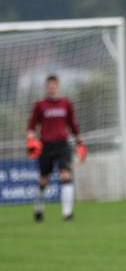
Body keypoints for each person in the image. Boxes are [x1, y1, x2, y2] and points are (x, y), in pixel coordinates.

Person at [26, 75, 86, 221]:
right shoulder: (40, 105)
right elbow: (32, 126)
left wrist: (79, 142)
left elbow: (73, 124)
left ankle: (67, 213)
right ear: (46, 87)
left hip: (63, 144)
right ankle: (39, 209)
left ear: (58, 86)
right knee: (43, 179)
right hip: (46, 144)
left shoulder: (66, 104)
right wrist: (30, 140)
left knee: (65, 175)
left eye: (54, 85)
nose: (52, 87)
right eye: (49, 85)